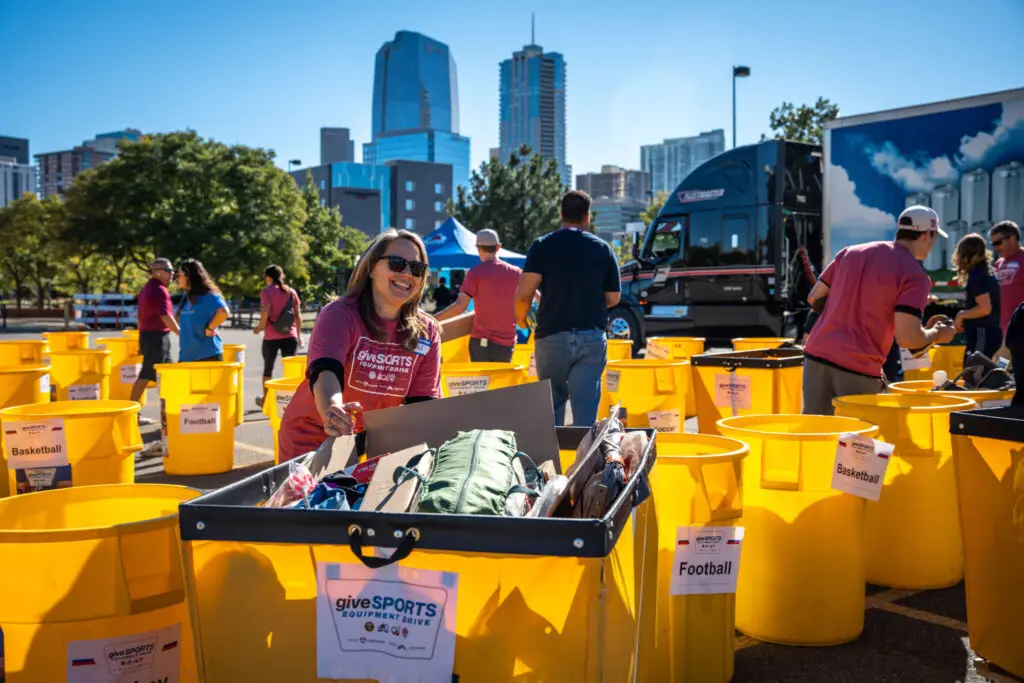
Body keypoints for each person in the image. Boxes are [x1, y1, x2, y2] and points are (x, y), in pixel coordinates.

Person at [277, 229, 442, 462]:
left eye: (416, 268)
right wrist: (334, 411)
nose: (407, 274)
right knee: (311, 499)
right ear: (372, 267)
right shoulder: (339, 314)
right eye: (397, 264)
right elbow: (326, 373)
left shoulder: (426, 331)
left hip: (373, 442)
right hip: (314, 436)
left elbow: (421, 405)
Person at [802, 206, 957, 415]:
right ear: (928, 235)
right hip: (857, 366)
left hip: (815, 356)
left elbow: (814, 297)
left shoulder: (850, 253)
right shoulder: (914, 276)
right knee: (858, 442)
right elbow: (908, 339)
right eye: (934, 237)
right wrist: (938, 334)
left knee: (817, 434)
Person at [514, 190, 621, 426]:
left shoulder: (541, 246)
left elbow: (524, 295)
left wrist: (522, 322)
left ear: (561, 214)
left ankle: (554, 461)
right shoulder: (602, 249)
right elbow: (613, 297)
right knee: (585, 412)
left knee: (552, 409)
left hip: (551, 335)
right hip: (591, 336)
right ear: (587, 217)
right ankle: (584, 460)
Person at [435, 229, 522, 362]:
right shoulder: (516, 273)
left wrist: (433, 320)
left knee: (482, 382)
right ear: (498, 247)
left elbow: (460, 307)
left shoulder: (475, 274)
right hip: (507, 343)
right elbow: (534, 297)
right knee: (501, 381)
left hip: (482, 343)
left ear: (478, 248)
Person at [131, 258, 180, 424]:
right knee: (146, 374)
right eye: (168, 270)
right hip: (156, 337)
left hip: (149, 335)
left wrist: (140, 340)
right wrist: (180, 333)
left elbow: (140, 317)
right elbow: (165, 316)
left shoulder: (147, 289)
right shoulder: (159, 290)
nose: (172, 273)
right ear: (157, 271)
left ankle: (170, 411)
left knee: (168, 375)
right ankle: (132, 414)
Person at [253, 264, 303, 408]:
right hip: (290, 336)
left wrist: (259, 328)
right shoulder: (291, 292)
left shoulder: (266, 292)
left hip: (271, 338)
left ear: (268, 278)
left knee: (268, 368)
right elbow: (298, 316)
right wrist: (299, 336)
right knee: (290, 372)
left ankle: (266, 400)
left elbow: (265, 314)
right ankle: (292, 400)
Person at [952, 233, 1002, 361]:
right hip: (992, 332)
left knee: (976, 372)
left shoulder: (977, 276)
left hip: (982, 333)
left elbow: (985, 308)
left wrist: (961, 315)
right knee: (988, 374)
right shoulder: (988, 271)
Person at [176, 259, 230, 362]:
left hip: (207, 355)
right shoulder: (187, 297)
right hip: (186, 356)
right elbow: (179, 318)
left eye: (179, 275)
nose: (177, 278)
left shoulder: (208, 295)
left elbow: (223, 312)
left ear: (189, 276)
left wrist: (210, 328)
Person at [990, 220, 1024, 362]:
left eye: (998, 243)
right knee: (1001, 374)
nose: (995, 248)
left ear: (1013, 238)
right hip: (1004, 334)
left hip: (1021, 330)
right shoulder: (999, 264)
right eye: (993, 244)